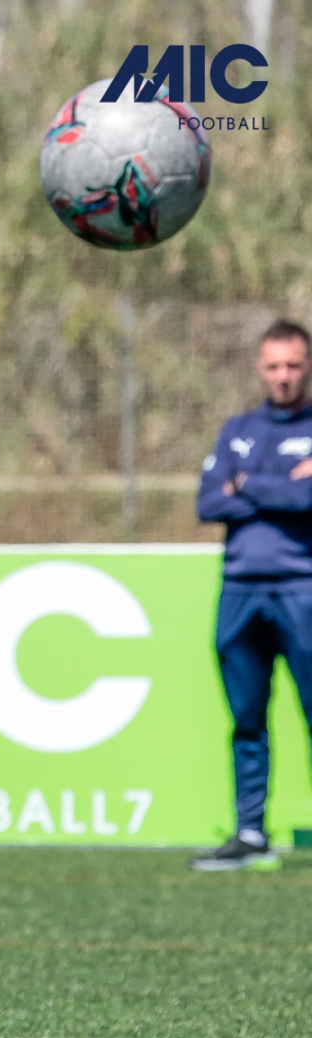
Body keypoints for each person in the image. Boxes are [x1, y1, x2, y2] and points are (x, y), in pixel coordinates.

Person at [192, 319, 312, 871]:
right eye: (273, 366)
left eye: (293, 365)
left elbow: (307, 500)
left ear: (307, 367)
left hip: (301, 588)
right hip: (240, 590)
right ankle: (249, 831)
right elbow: (208, 503)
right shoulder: (237, 429)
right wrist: (285, 485)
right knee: (245, 717)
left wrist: (245, 484)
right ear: (260, 368)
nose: (283, 376)